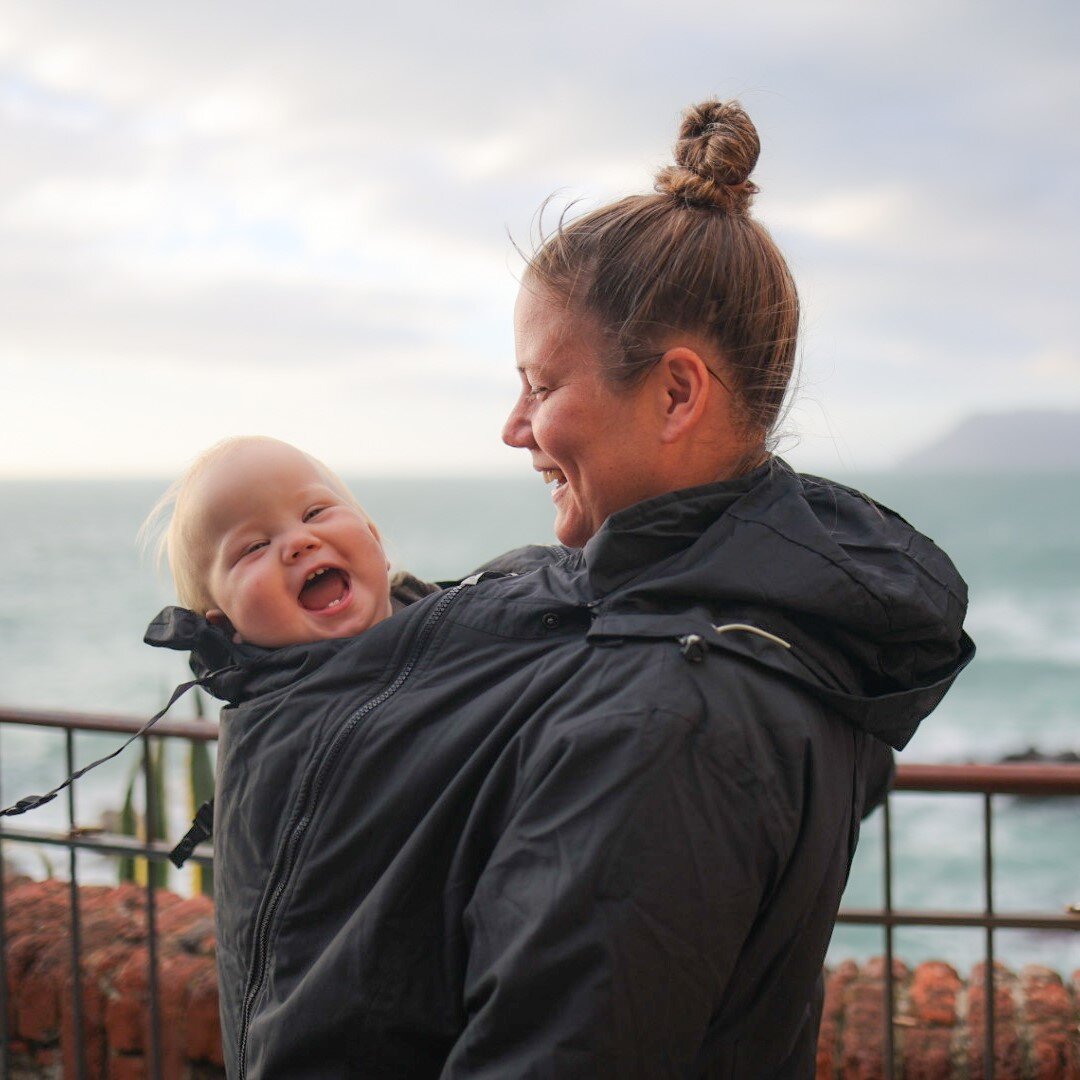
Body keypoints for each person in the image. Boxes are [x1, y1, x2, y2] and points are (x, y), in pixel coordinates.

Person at [147, 100, 973, 1078]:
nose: (514, 426)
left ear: (676, 393)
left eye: (541, 386)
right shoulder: (671, 611)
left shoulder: (671, 717)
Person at [144, 434, 438, 648]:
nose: (299, 541)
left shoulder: (457, 611)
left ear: (375, 540)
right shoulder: (278, 714)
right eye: (256, 547)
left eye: (314, 513)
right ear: (226, 626)